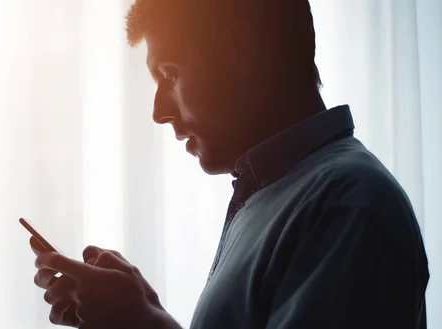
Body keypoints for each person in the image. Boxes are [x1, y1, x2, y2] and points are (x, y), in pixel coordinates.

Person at [30, 0, 430, 328]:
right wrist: (141, 313)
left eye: (169, 75)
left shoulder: (349, 204)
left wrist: (142, 323)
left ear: (240, 50)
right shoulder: (281, 197)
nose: (159, 112)